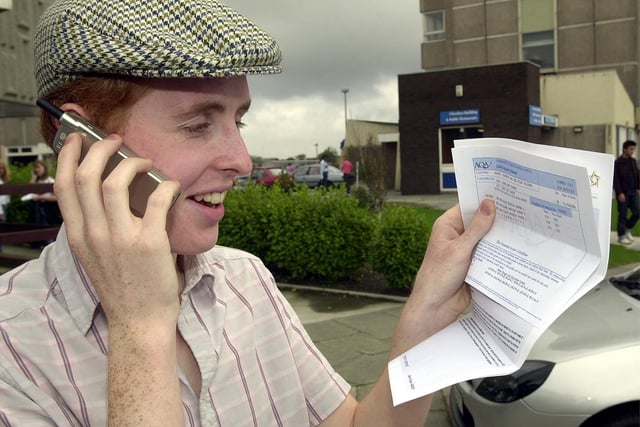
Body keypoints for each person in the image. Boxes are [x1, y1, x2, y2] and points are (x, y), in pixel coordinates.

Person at [0, 1, 496, 425]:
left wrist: (426, 319)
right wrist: (140, 326)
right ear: (81, 143)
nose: (240, 159)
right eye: (198, 124)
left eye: (238, 120)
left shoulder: (244, 280)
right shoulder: (12, 347)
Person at [613, 140, 640, 245]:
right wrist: (619, 193)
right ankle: (621, 236)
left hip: (633, 192)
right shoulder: (618, 163)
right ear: (625, 149)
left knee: (638, 212)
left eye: (634, 149)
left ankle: (627, 229)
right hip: (623, 193)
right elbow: (616, 180)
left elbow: (637, 175)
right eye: (631, 149)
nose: (632, 151)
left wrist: (638, 188)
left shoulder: (633, 161)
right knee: (622, 215)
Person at [27, 159, 61, 226]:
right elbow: (29, 191)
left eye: (38, 167)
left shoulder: (51, 181)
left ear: (44, 168)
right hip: (36, 210)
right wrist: (33, 178)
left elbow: (57, 197)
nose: (37, 169)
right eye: (35, 167)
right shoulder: (36, 181)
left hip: (49, 209)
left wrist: (40, 197)